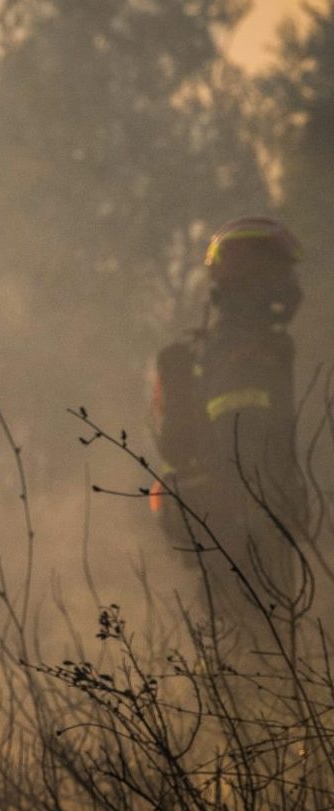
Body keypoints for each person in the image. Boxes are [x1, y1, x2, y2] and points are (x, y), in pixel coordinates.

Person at [151, 216, 307, 628]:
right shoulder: (244, 346)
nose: (288, 283)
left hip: (238, 530)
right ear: (253, 274)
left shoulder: (239, 342)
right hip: (247, 533)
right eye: (278, 271)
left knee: (242, 650)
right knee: (257, 652)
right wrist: (269, 512)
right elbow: (242, 445)